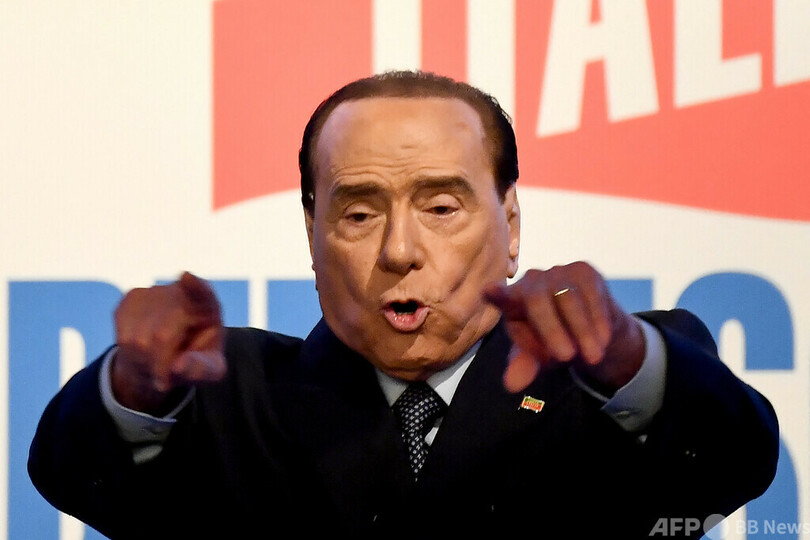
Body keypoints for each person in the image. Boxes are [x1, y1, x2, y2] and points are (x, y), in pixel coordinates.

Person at [29, 71, 778, 539]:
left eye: (442, 207)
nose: (398, 250)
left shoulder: (610, 383)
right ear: (313, 234)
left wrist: (623, 358)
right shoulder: (228, 397)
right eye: (359, 213)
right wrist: (133, 386)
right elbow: (73, 477)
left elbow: (733, 461)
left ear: (510, 225)